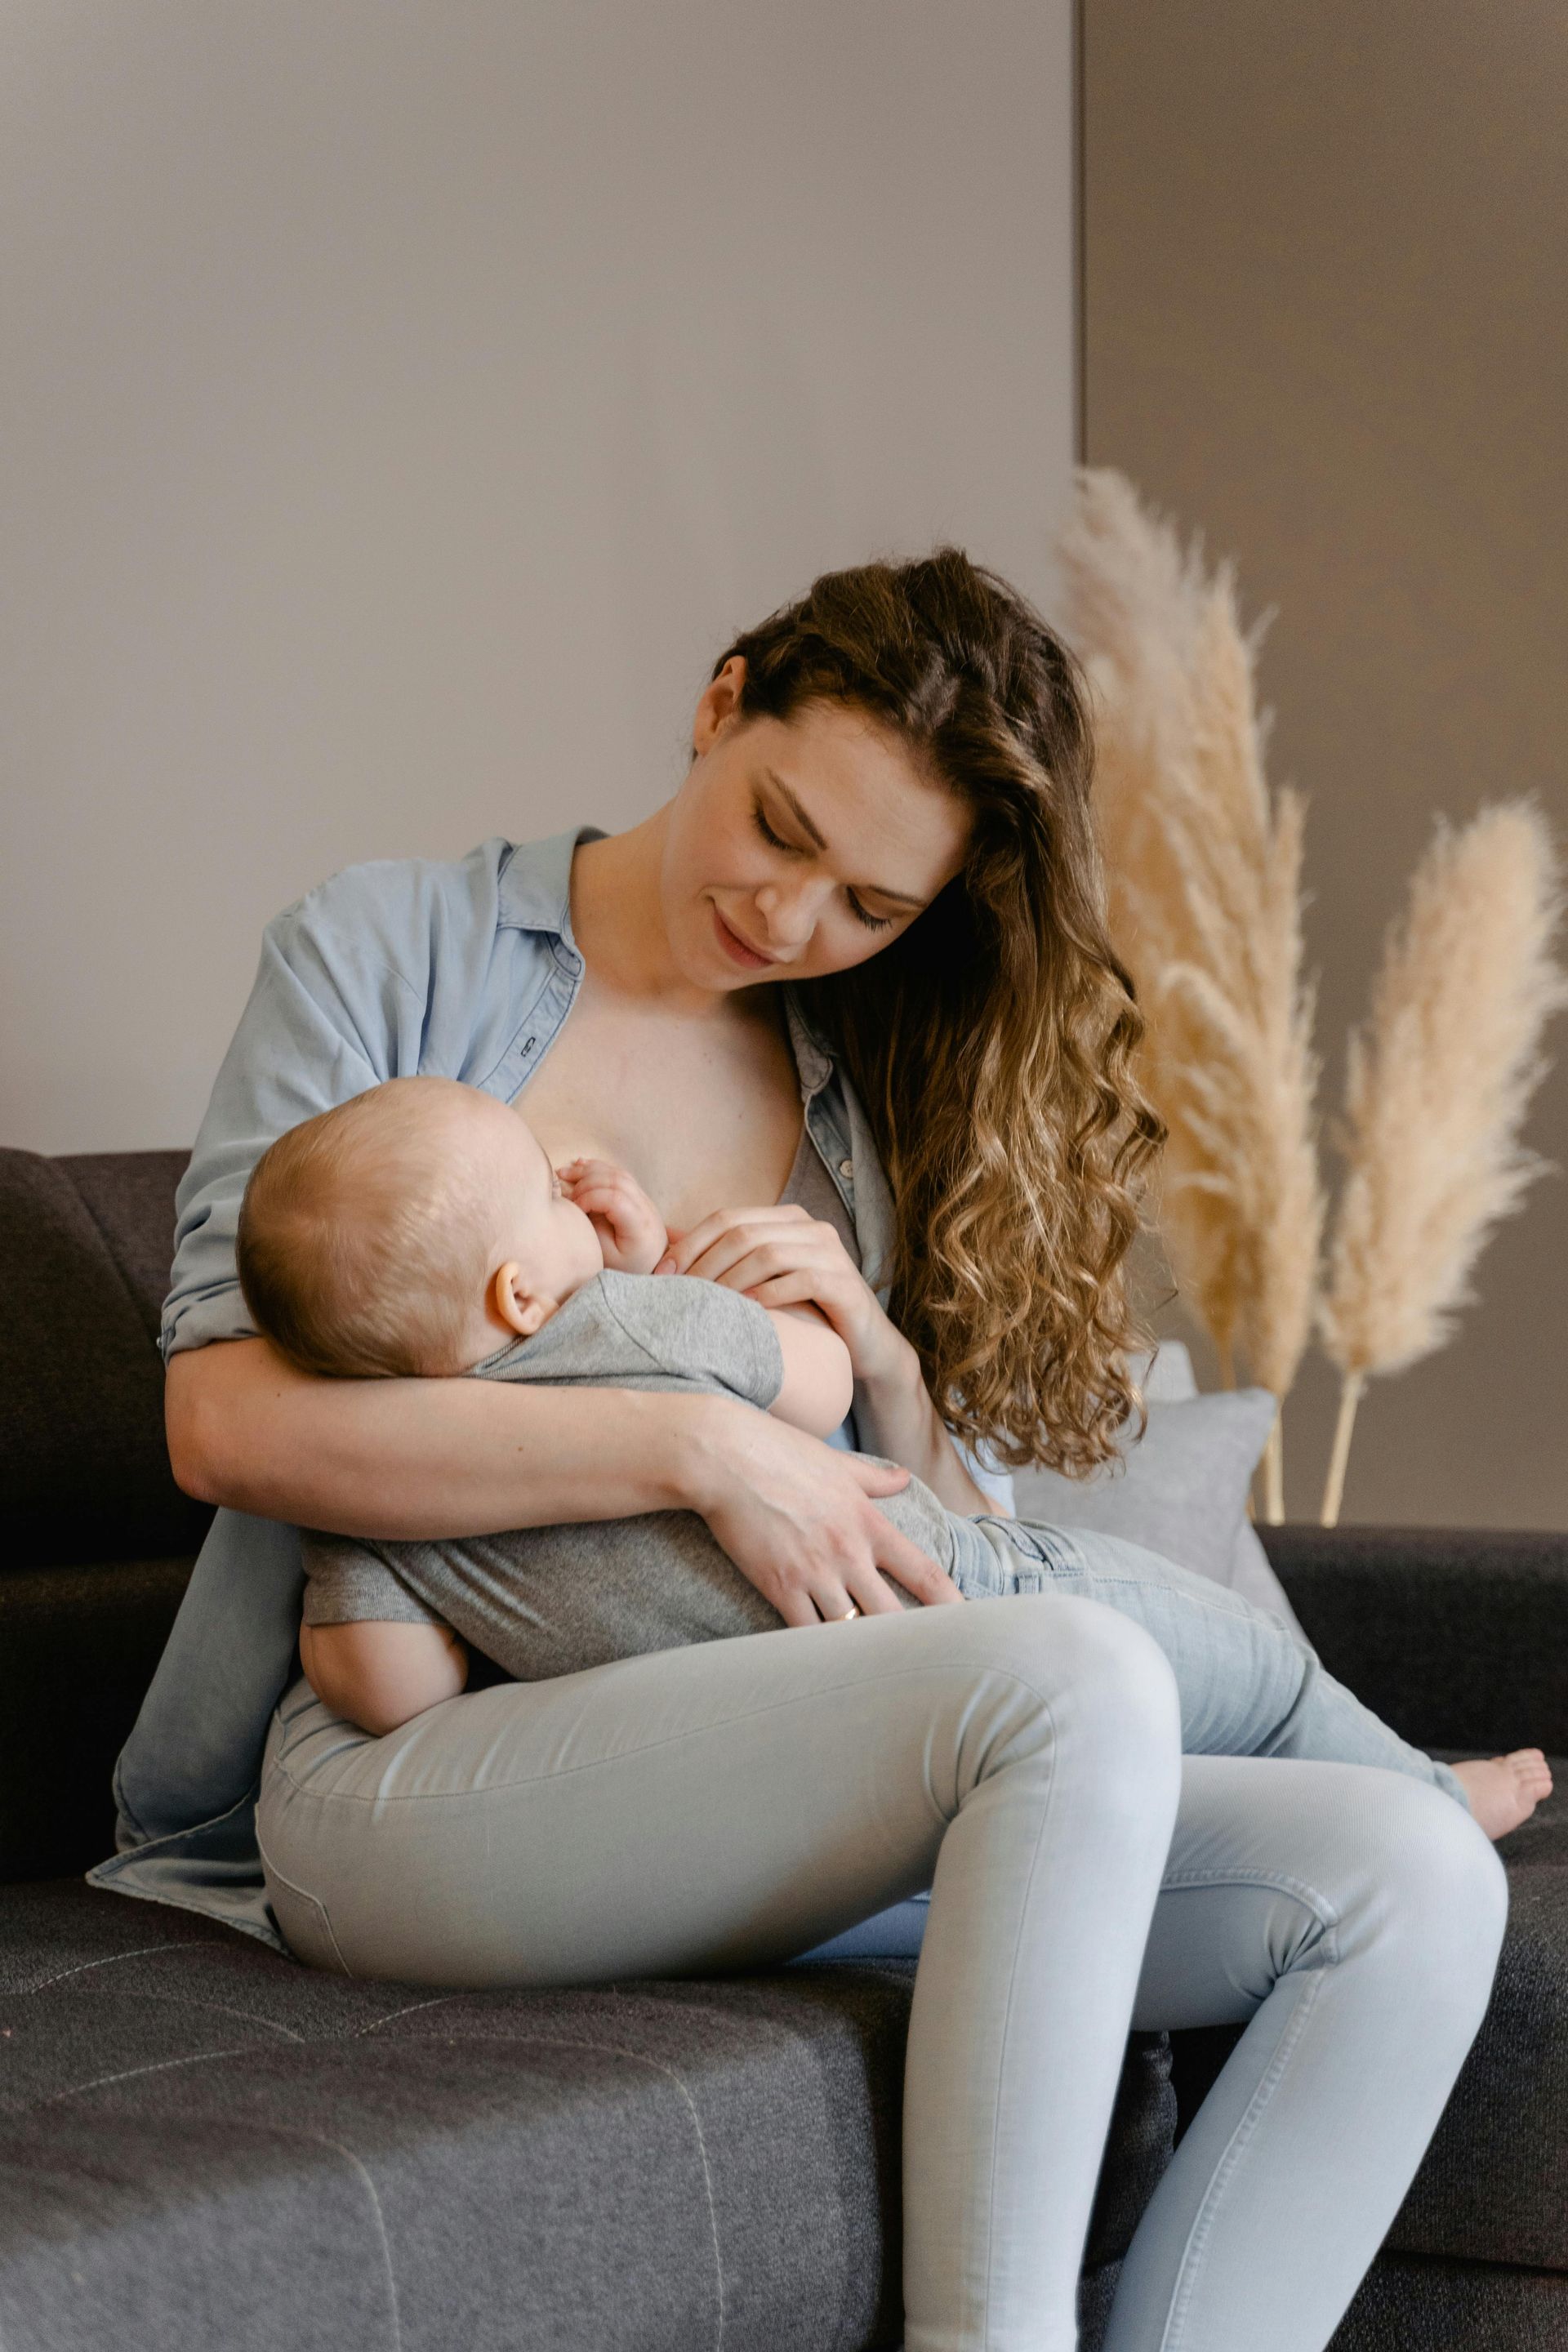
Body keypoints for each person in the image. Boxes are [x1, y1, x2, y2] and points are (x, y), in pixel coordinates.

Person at [95, 549, 1520, 2352]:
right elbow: (224, 1421)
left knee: (1408, 1884)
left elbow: (933, 1549)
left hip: (779, 1747)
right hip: (418, 1764)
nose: (791, 920)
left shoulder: (858, 1085)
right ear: (720, 703)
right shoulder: (393, 953)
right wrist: (698, 1441)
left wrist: (886, 1377)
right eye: (777, 827)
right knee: (1074, 1669)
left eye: (868, 900)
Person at [236, 1074, 1545, 1855]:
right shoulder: (610, 1320)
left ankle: (1343, 1814)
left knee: (1140, 1761)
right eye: (546, 1186)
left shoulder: (383, 1502)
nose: (576, 1186)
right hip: (963, 1590)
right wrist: (647, 1271)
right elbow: (809, 1382)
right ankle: (1423, 1796)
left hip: (803, 1733)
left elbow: (385, 1688)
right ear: (525, 1291)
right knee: (1253, 1671)